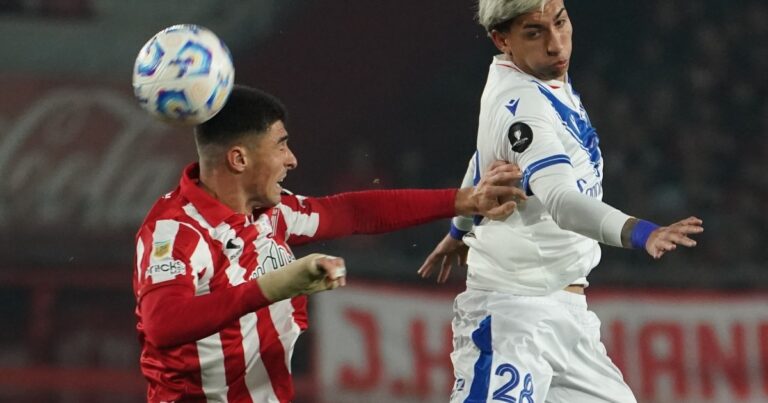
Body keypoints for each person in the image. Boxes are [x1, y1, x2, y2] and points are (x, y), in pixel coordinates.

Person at [132, 85, 525, 403]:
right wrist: (279, 284)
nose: (292, 159)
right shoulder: (177, 232)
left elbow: (352, 212)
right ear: (238, 159)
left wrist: (464, 200)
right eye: (281, 145)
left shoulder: (272, 212)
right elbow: (162, 324)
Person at [418, 1, 704, 402]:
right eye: (534, 33)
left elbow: (484, 161)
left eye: (561, 23)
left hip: (568, 316)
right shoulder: (524, 105)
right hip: (514, 315)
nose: (557, 45)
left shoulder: (531, 77)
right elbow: (561, 202)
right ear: (502, 40)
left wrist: (459, 229)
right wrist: (641, 232)